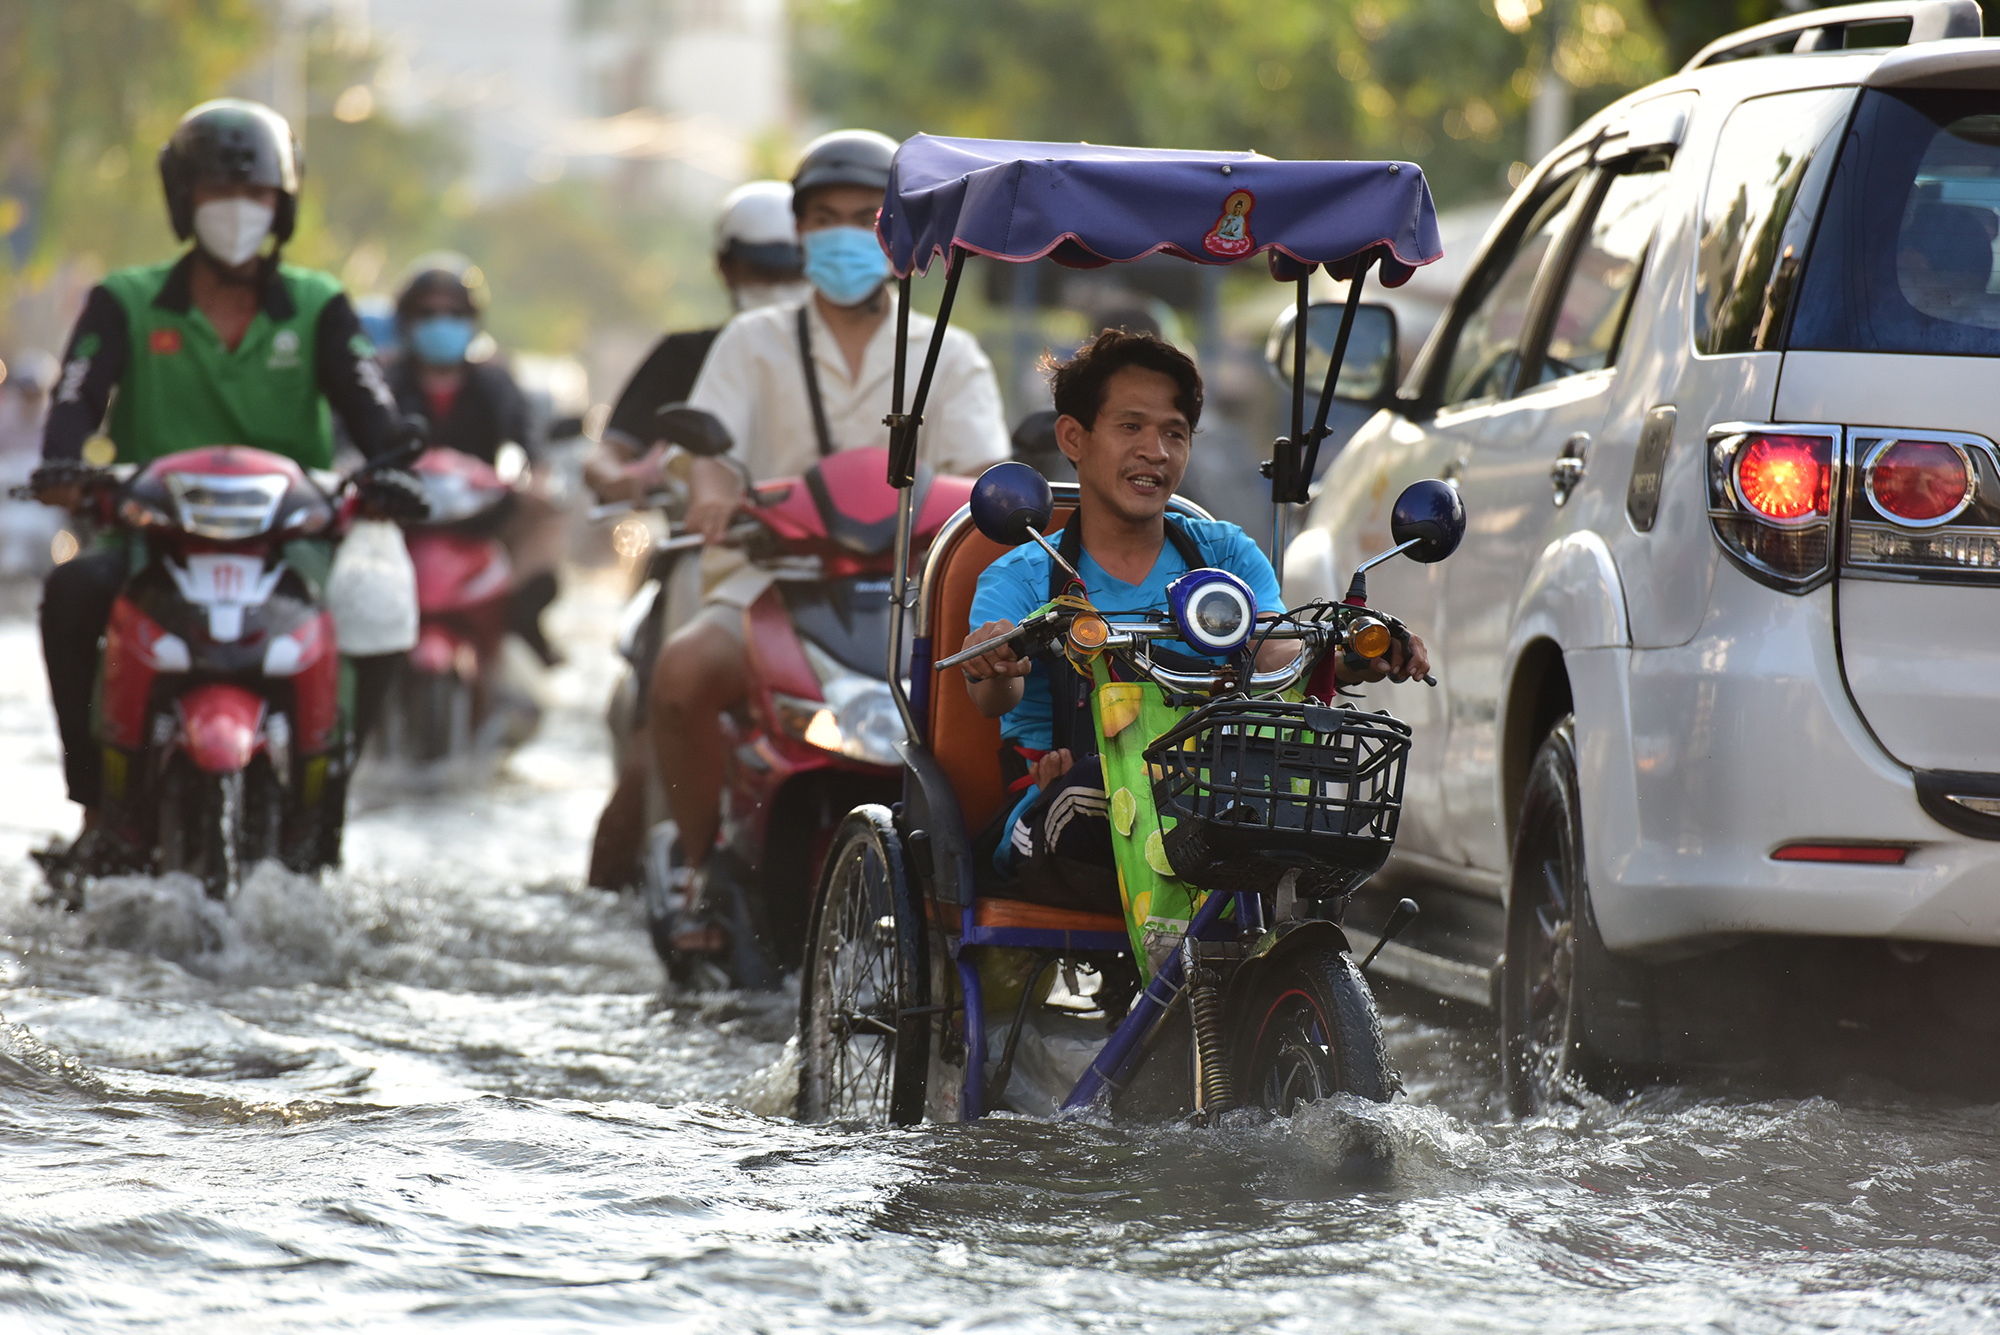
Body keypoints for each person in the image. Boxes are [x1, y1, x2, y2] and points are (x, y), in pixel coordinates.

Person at [639, 129, 1010, 945]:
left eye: (865, 217)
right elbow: (707, 453)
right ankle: (704, 869)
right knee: (680, 674)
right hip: (769, 583)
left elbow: (986, 473)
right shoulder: (753, 341)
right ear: (799, 232)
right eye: (825, 217)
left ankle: (989, 882)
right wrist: (709, 497)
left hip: (911, 596)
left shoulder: (950, 350)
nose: (845, 234)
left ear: (900, 230)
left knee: (1008, 700)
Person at [33, 98, 413, 861]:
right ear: (184, 199)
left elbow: (376, 416)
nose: (237, 210)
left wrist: (392, 464)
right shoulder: (125, 301)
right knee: (72, 593)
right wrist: (65, 468)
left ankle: (326, 807)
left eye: (256, 194)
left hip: (292, 545)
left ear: (283, 204)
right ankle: (94, 800)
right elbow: (73, 405)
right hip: (150, 538)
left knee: (381, 605)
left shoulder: (319, 305)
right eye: (217, 192)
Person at [957, 329, 1430, 907]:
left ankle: (1302, 983)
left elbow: (1274, 646)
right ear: (1073, 437)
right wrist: (994, 654)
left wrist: (1350, 652)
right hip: (1068, 802)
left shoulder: (1225, 555)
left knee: (1316, 809)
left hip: (1212, 791)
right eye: (1131, 427)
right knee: (1089, 793)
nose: (1155, 450)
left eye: (1174, 433)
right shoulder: (1022, 575)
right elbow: (991, 698)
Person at [584, 180, 807, 889]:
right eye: (756, 269)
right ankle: (669, 884)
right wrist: (624, 477)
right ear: (725, 269)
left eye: (786, 268)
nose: (771, 285)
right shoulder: (685, 355)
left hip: (825, 575)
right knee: (651, 755)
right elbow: (606, 453)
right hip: (704, 564)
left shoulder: (839, 364)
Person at [384, 255, 562, 667]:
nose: (440, 323)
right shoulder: (385, 380)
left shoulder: (493, 381)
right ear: (407, 319)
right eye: (427, 313)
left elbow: (528, 438)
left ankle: (521, 616)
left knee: (548, 513)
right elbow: (348, 436)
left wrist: (537, 479)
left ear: (472, 320)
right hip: (400, 514)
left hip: (477, 515)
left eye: (453, 313)